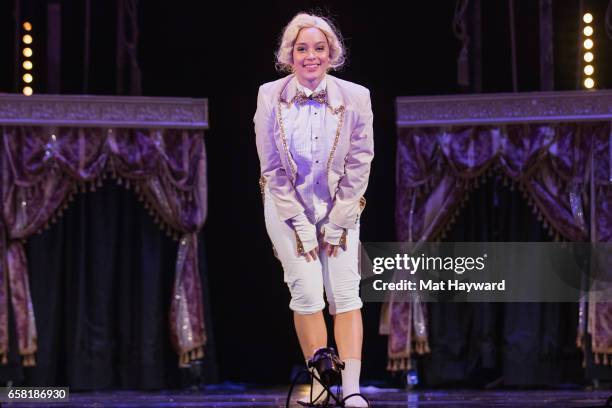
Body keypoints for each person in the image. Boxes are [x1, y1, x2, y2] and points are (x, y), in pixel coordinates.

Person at [254, 12, 374, 407]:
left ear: (331, 53)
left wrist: (338, 220)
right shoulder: (270, 95)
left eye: (318, 48)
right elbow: (270, 167)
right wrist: (302, 226)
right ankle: (322, 387)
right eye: (302, 48)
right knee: (306, 293)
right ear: (289, 54)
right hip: (288, 207)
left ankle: (352, 389)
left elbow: (360, 162)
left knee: (345, 293)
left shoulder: (355, 96)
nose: (310, 56)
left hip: (339, 204)